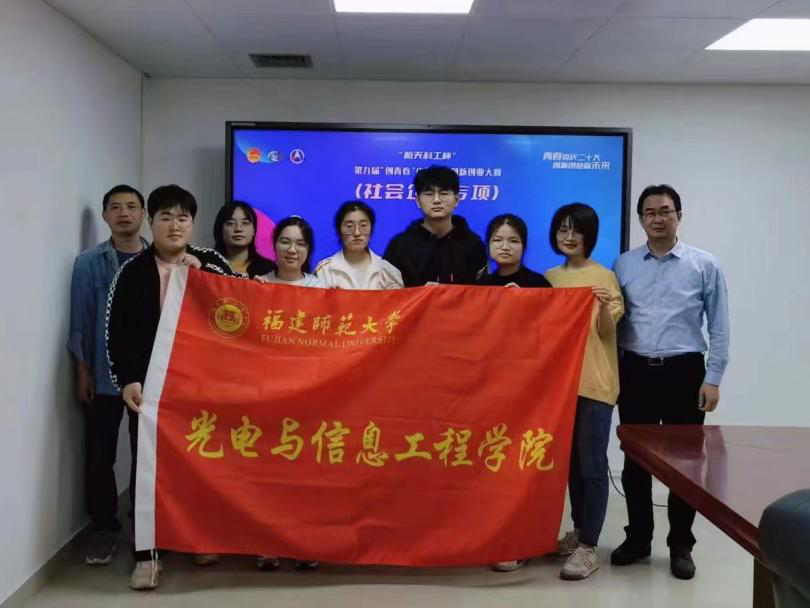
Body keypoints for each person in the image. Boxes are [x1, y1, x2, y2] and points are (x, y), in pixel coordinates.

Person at [106, 184, 238, 590]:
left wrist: (207, 279)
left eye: (183, 217)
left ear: (193, 224)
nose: (175, 225)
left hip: (204, 387)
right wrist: (128, 379)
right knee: (149, 469)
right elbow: (117, 332)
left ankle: (199, 539)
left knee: (204, 464)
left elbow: (240, 309)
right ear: (152, 222)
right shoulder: (133, 272)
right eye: (165, 217)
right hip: (152, 389)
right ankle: (147, 555)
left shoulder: (211, 263)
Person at [611, 184, 730, 580]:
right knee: (635, 461)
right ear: (640, 219)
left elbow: (720, 325)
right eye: (650, 212)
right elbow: (616, 323)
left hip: (685, 372)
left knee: (686, 464)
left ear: (679, 215)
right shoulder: (623, 265)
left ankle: (681, 545)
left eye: (665, 211)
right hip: (636, 371)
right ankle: (638, 539)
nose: (658, 218)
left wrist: (713, 378)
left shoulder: (704, 264)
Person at [68, 184, 148, 566]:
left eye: (131, 206)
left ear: (143, 214)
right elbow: (80, 323)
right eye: (115, 207)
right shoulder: (88, 263)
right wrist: (81, 372)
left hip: (146, 377)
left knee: (145, 456)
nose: (124, 213)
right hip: (101, 375)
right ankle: (103, 527)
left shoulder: (156, 261)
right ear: (104, 216)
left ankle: (143, 530)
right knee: (99, 455)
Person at [544, 203, 624, 581]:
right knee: (568, 466)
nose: (569, 237)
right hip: (555, 388)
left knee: (591, 465)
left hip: (593, 384)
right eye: (562, 229)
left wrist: (605, 307)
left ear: (589, 236)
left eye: (577, 230)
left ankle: (589, 545)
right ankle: (578, 531)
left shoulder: (604, 277)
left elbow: (607, 332)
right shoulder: (547, 278)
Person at [384, 165, 487, 286]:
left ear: (457, 199)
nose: (436, 200)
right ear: (417, 200)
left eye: (444, 193)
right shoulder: (400, 245)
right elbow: (389, 291)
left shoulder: (473, 244)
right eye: (429, 194)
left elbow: (483, 291)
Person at [315, 201, 403, 289]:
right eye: (349, 226)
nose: (357, 233)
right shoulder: (325, 269)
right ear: (339, 230)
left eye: (363, 225)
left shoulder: (386, 269)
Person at [475, 214, 551, 288]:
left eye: (513, 241)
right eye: (497, 240)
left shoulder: (539, 284)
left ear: (524, 246)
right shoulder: (482, 285)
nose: (505, 247)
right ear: (488, 244)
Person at [213, 200, 277, 278]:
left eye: (245, 223)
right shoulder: (208, 264)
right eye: (230, 223)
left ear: (253, 230)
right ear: (220, 229)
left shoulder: (268, 269)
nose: (238, 229)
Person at [258, 216, 324, 288]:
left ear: (308, 249)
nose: (292, 250)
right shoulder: (262, 284)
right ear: (275, 245)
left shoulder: (317, 287)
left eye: (300, 244)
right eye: (285, 242)